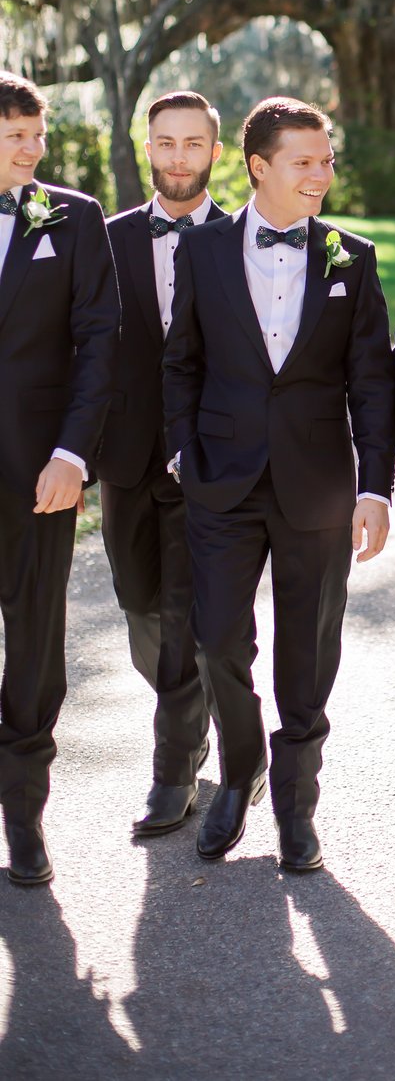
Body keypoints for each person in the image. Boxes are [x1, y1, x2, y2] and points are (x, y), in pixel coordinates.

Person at [162, 97, 395, 872]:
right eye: (305, 161)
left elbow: (373, 383)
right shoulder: (200, 254)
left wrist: (375, 488)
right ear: (258, 166)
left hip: (318, 487)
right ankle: (239, 770)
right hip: (220, 482)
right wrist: (181, 454)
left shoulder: (350, 258)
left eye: (327, 159)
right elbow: (181, 363)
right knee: (218, 638)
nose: (321, 174)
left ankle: (297, 805)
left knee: (308, 652)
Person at [0, 72, 119, 884]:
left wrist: (74, 456)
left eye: (39, 135)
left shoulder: (74, 219)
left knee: (36, 648)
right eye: (18, 136)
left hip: (37, 473)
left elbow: (100, 343)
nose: (34, 149)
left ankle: (24, 818)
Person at [97, 91, 225, 838]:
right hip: (125, 459)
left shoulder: (242, 240)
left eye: (193, 144)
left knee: (180, 619)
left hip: (208, 465)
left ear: (215, 152)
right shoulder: (103, 238)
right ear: (149, 149)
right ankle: (199, 705)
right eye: (165, 144)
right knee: (140, 606)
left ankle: (172, 773)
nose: (178, 158)